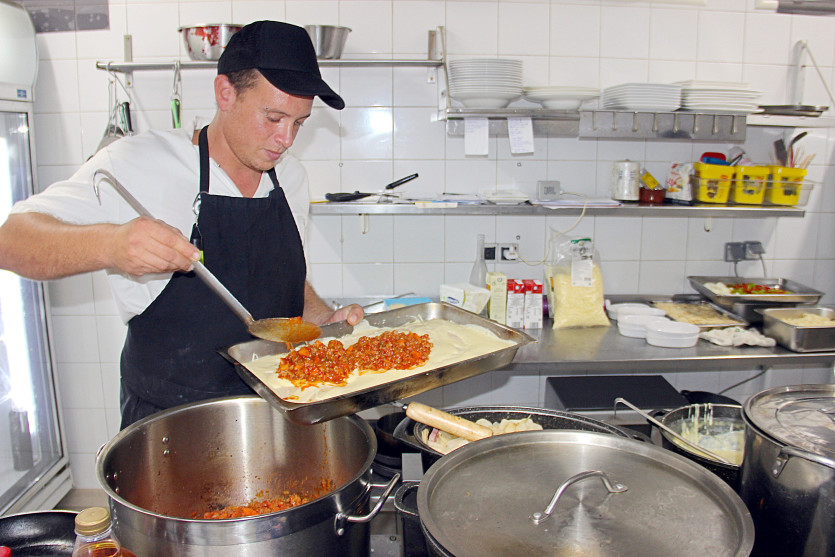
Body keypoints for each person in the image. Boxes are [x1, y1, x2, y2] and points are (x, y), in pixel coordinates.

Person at [0, 20, 363, 428]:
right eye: (274, 117)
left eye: (298, 123)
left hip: (276, 417)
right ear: (225, 92)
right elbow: (11, 241)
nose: (286, 139)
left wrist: (319, 318)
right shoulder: (139, 162)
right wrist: (111, 244)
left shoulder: (291, 178)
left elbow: (280, 279)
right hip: (169, 428)